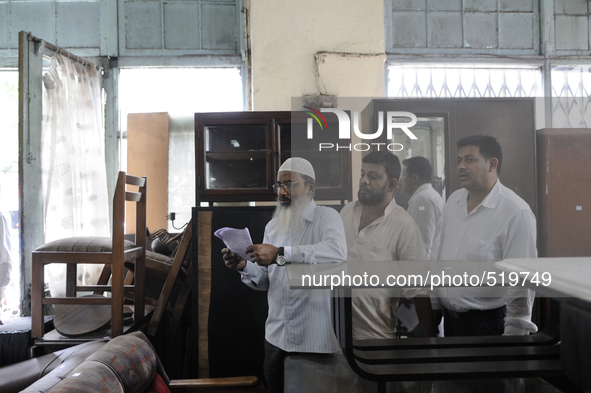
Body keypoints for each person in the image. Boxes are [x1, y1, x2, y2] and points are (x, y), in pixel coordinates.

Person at [222, 157, 347, 393]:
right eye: (278, 185)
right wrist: (242, 266)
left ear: (310, 187)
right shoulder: (274, 226)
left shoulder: (327, 218)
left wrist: (280, 253)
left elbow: (336, 254)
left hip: (313, 340)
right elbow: (266, 280)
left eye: (290, 184)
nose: (282, 191)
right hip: (276, 337)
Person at [432, 135, 538, 337]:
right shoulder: (453, 202)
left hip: (487, 325)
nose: (461, 166)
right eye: (458, 160)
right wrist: (434, 310)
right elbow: (439, 259)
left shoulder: (515, 212)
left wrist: (513, 340)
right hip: (449, 323)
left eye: (470, 159)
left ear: (492, 164)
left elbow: (521, 284)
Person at [340, 151, 435, 340]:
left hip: (374, 338)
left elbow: (419, 292)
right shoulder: (346, 211)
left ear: (392, 184)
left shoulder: (404, 226)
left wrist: (430, 344)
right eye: (362, 174)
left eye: (373, 176)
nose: (364, 181)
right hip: (334, 335)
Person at [399, 156, 444, 260]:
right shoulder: (431, 195)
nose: (401, 179)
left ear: (414, 178)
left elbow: (422, 245)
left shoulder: (422, 199)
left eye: (403, 175)